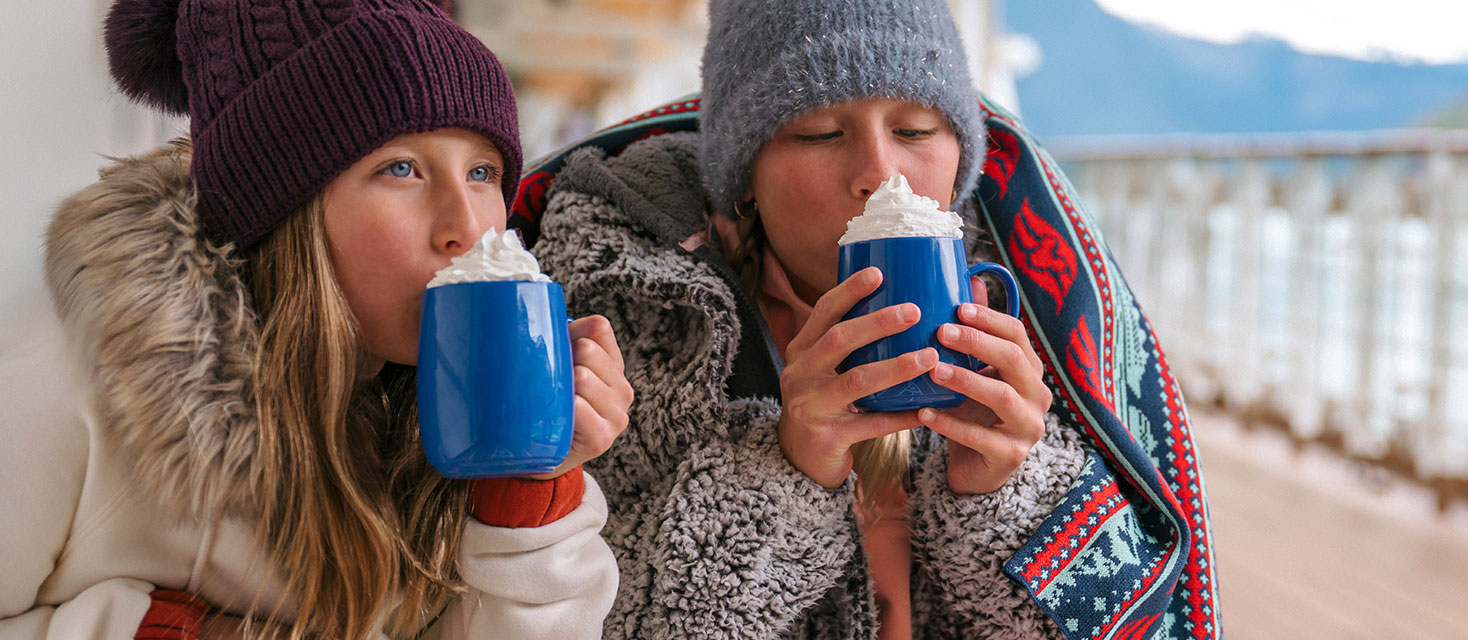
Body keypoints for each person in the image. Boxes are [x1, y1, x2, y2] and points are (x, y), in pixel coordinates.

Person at [527, 0, 1217, 638]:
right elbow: (600, 618)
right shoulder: (631, 304)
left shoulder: (1038, 287)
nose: (881, 173)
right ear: (745, 178)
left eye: (916, 129)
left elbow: (1125, 618)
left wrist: (1008, 492)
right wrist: (786, 472)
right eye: (819, 132)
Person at [0, 1, 632, 638]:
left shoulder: (433, 419)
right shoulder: (76, 385)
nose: (467, 227)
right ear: (283, 206)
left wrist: (532, 480)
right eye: (401, 169)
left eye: (482, 172)